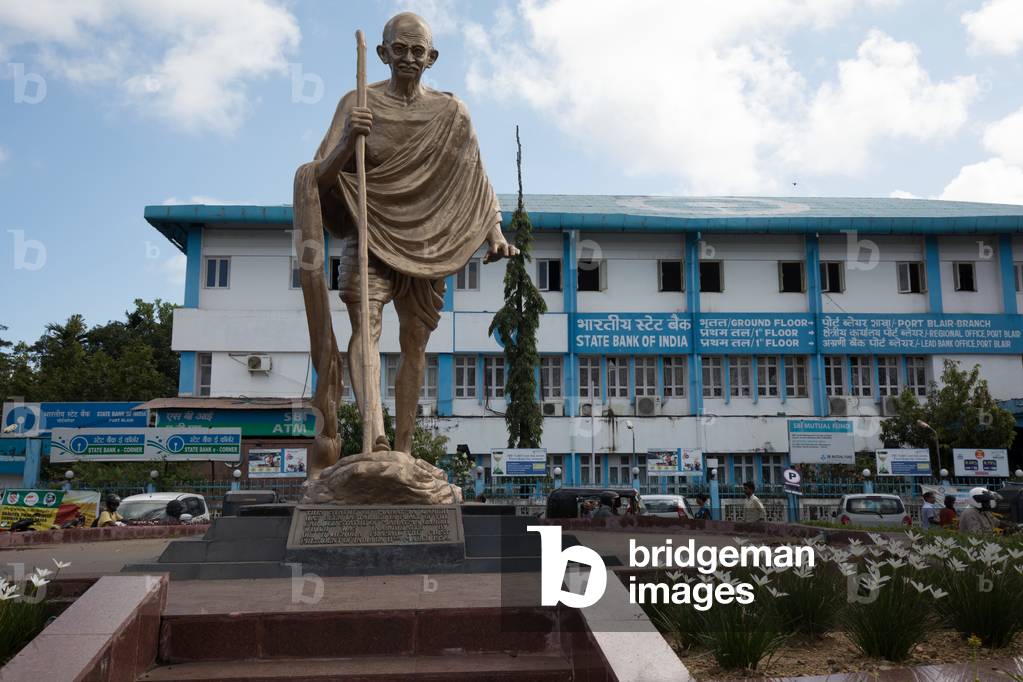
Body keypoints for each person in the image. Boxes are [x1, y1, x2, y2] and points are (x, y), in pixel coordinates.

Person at [293, 12, 518, 471]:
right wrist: (346, 144)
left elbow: (475, 177)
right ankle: (372, 434)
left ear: (432, 57)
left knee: (415, 343)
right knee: (366, 328)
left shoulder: (452, 113)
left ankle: (404, 450)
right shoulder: (355, 103)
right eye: (400, 50)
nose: (409, 59)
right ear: (382, 53)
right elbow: (315, 180)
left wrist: (494, 231)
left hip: (427, 243)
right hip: (367, 231)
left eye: (419, 51)